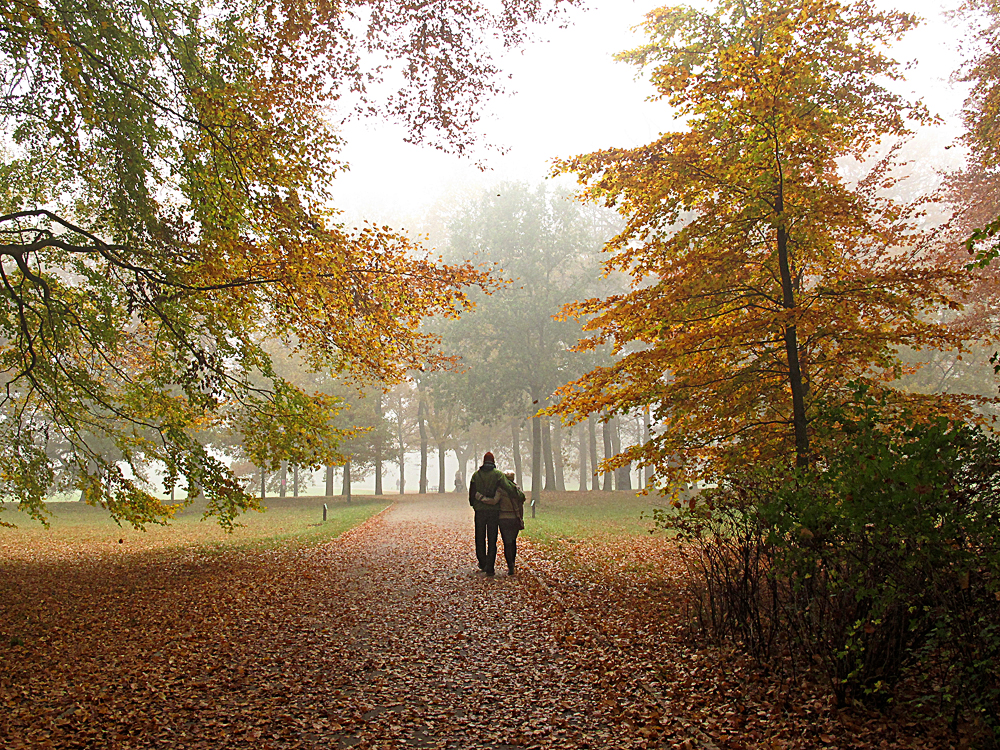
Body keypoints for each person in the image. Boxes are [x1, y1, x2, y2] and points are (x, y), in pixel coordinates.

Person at [468, 451, 510, 576]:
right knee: (492, 539)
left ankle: (482, 562)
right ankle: (490, 566)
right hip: (493, 511)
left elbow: (471, 494)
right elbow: (508, 488)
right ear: (493, 461)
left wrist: (475, 505)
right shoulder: (498, 475)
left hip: (480, 511)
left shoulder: (476, 475)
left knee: (479, 537)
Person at [496, 471, 525, 575]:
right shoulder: (517, 490)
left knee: (507, 542)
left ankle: (510, 565)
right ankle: (512, 562)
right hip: (514, 518)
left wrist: (481, 498)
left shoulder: (500, 490)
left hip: (503, 518)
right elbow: (521, 505)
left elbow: (495, 501)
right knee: (513, 541)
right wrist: (520, 518)